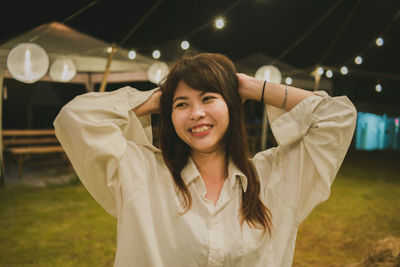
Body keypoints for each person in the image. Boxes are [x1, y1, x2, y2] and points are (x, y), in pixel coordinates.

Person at [54, 53, 357, 266]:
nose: (196, 113)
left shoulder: (275, 177)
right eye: (182, 104)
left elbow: (338, 116)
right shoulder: (142, 172)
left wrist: (250, 87)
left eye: (209, 98)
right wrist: (158, 98)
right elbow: (75, 118)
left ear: (231, 104)